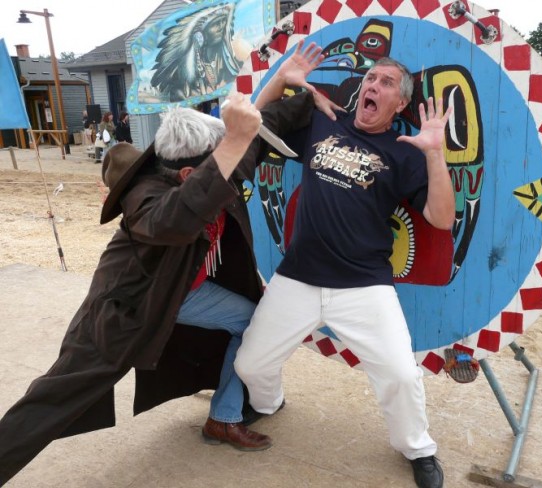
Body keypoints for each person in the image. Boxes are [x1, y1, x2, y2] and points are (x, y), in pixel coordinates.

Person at [0, 40, 334, 485]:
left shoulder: (216, 160)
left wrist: (283, 82)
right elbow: (174, 220)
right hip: (128, 310)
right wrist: (234, 141)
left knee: (257, 322)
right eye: (223, 155)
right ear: (189, 174)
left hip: (186, 291)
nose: (231, 158)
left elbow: (259, 126)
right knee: (56, 396)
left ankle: (224, 417)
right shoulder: (146, 198)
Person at [235, 54, 455, 488]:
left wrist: (435, 153)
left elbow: (442, 218)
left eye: (386, 82)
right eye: (371, 77)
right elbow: (254, 122)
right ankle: (269, 403)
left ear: (399, 104)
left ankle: (417, 448)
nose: (373, 84)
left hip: (364, 285)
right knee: (250, 364)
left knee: (401, 375)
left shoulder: (404, 152)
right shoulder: (323, 123)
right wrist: (281, 78)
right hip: (298, 276)